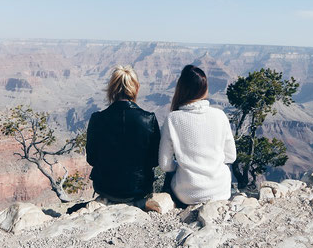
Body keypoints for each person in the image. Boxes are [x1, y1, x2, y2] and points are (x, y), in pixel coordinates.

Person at [159, 65, 236, 205]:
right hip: (220, 191)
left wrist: (184, 165)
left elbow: (165, 165)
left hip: (187, 194)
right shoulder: (220, 115)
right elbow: (231, 156)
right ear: (205, 89)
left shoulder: (173, 119)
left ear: (181, 89)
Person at [86, 65, 160, 203]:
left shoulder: (97, 119)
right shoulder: (149, 119)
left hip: (105, 188)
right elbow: (155, 160)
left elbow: (91, 158)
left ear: (112, 89)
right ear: (136, 88)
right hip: (139, 189)